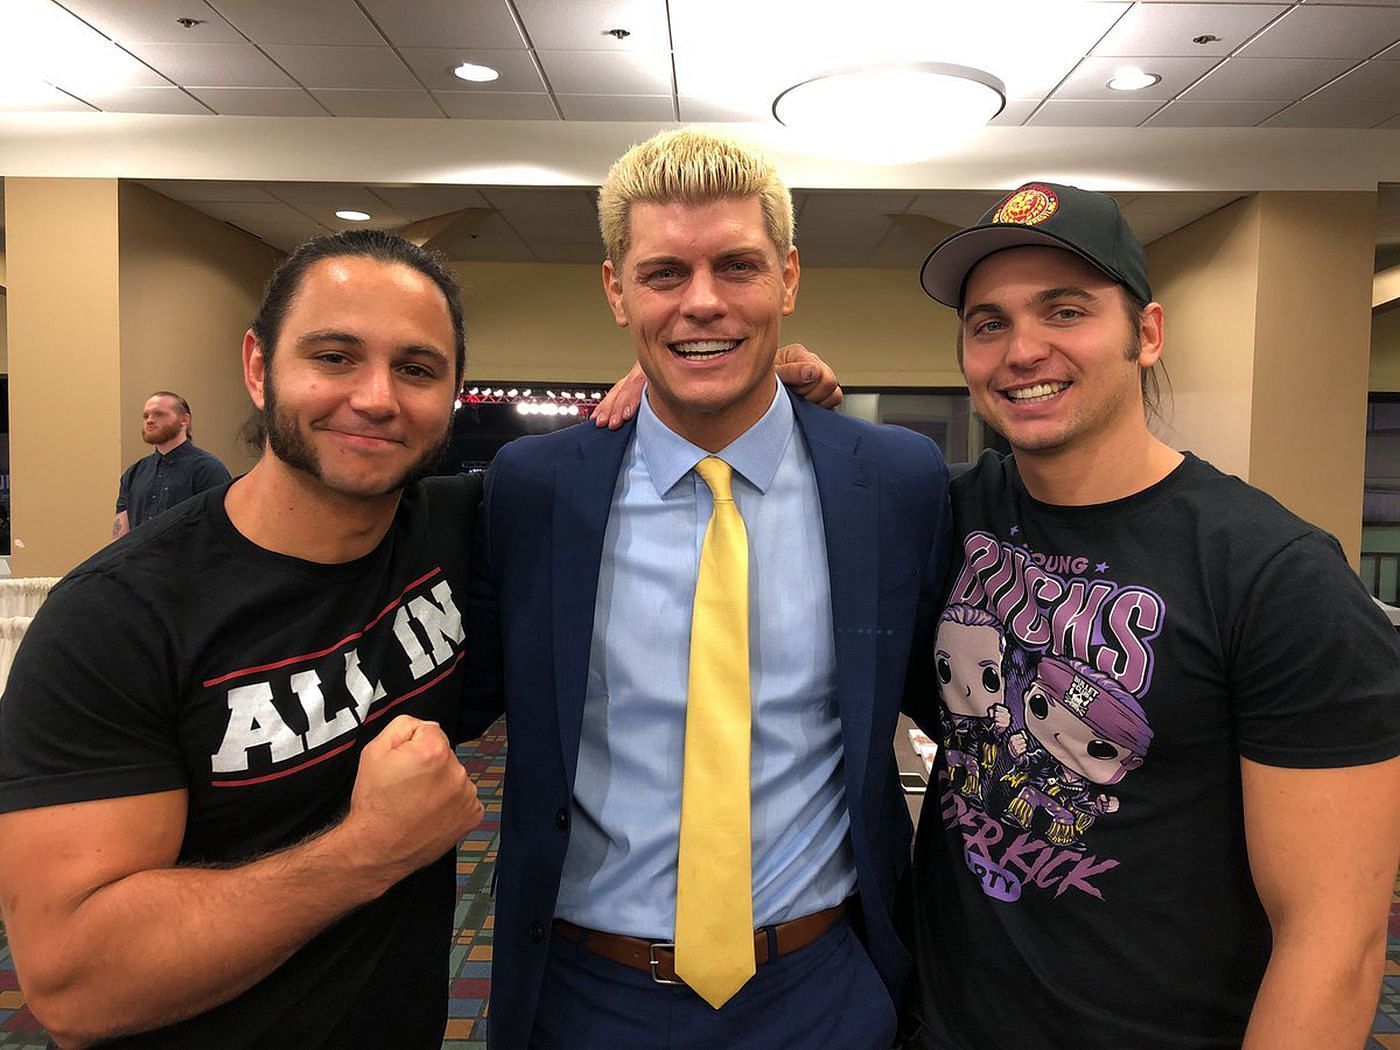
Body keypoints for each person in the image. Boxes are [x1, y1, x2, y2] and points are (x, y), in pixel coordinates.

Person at [461, 128, 952, 1049]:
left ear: (789, 278)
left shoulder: (895, 481)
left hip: (823, 988)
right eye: (662, 275)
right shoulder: (534, 490)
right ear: (616, 290)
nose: (703, 303)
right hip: (586, 992)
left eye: (737, 267)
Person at [902, 182, 1400, 1048]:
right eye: (989, 323)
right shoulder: (952, 515)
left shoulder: (1275, 575)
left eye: (1066, 311)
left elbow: (1337, 942)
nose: (1023, 349)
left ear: (1148, 334)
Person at [0, 230, 486, 1049]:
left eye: (416, 368)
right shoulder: (115, 619)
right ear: (258, 367)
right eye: (334, 356)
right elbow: (73, 981)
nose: (376, 398)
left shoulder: (456, 529)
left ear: (452, 391)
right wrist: (365, 851)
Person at [113, 390, 232, 539]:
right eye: (146, 416)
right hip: (140, 562)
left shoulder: (208, 469)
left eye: (159, 414)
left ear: (185, 420)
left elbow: (222, 527)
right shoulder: (134, 473)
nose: (149, 420)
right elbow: (121, 534)